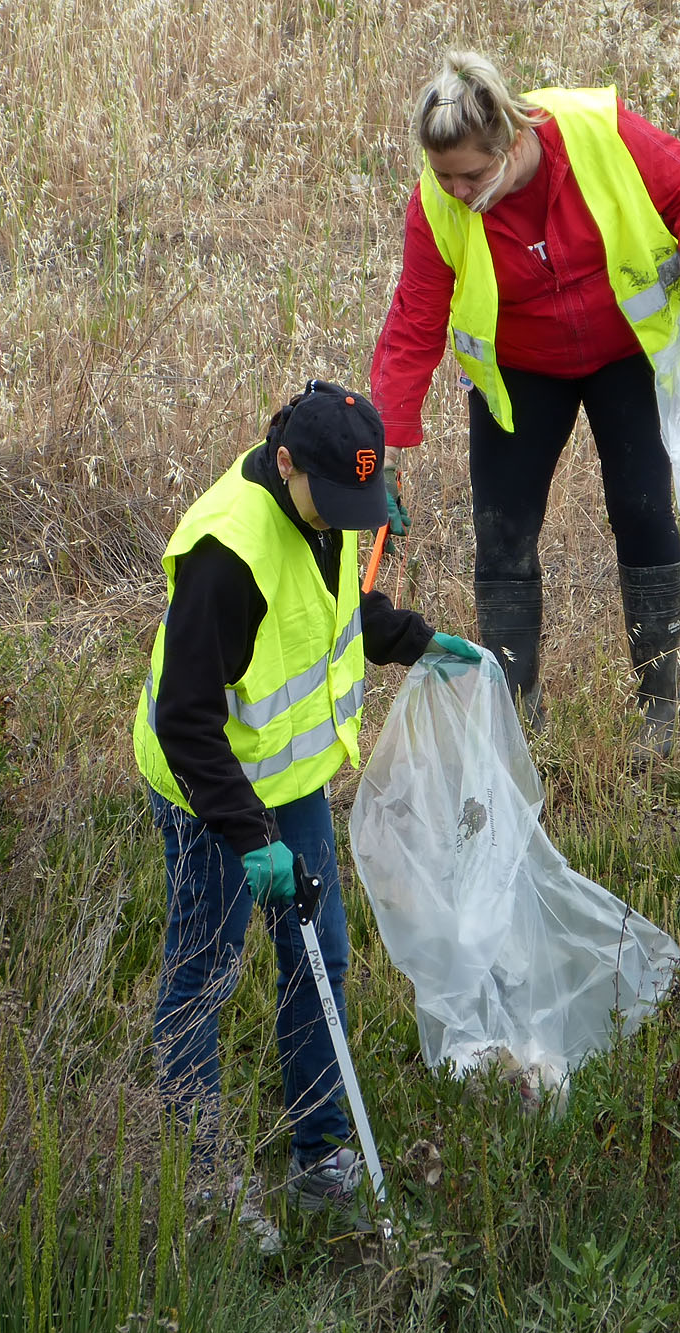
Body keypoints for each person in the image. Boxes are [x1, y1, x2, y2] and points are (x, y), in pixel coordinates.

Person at [132, 378, 478, 1251]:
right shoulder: (227, 554)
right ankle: (203, 1181)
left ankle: (321, 1160)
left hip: (290, 778)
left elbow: (327, 617)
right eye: (335, 503)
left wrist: (411, 639)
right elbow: (184, 720)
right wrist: (250, 838)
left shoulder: (326, 504)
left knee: (320, 954)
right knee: (204, 973)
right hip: (208, 789)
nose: (347, 521)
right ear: (285, 462)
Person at [368, 50, 680, 752]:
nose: (457, 191)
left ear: (511, 141)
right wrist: (383, 448)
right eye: (443, 176)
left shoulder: (599, 132)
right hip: (521, 370)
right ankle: (518, 715)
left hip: (626, 352)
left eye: (472, 175)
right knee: (501, 534)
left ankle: (659, 709)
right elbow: (414, 320)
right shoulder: (435, 205)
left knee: (642, 510)